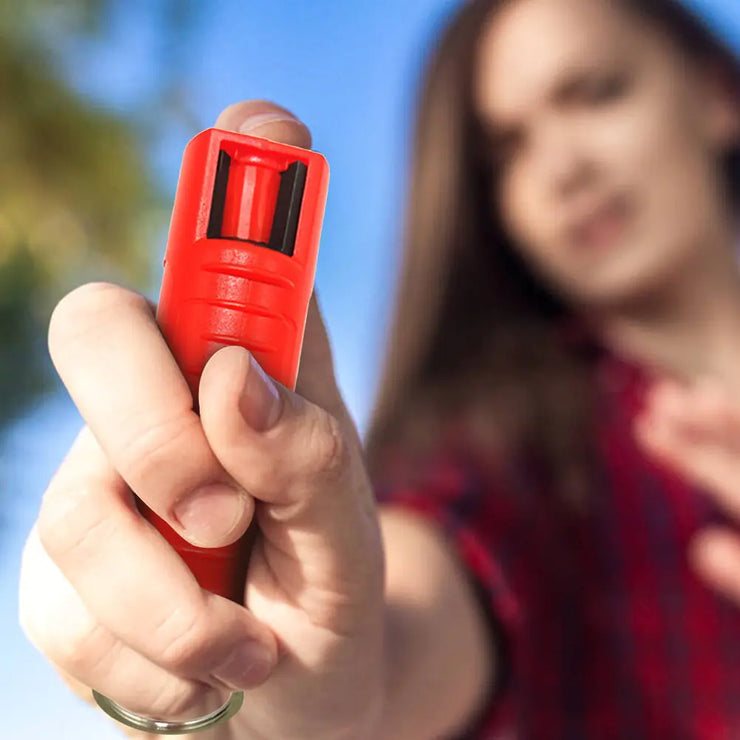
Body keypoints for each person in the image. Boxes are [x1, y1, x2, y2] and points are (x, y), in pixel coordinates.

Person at [17, 0, 740, 737]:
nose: (562, 169)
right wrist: (337, 676)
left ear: (718, 94)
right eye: (505, 150)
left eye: (594, 92)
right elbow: (407, 612)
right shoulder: (507, 453)